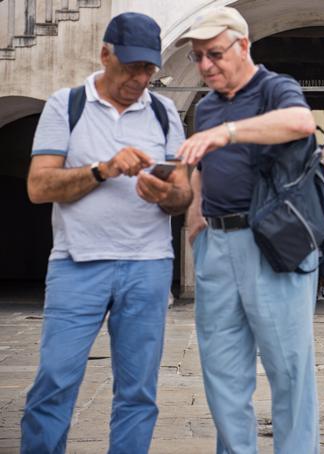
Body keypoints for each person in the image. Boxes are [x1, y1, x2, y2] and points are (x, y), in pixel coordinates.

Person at [20, 12, 192, 453]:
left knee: (138, 393)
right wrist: (103, 169)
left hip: (148, 267)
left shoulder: (163, 111)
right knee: (54, 383)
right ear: (105, 54)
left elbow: (183, 195)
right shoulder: (67, 104)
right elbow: (39, 187)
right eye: (131, 66)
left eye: (148, 68)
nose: (140, 77)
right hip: (77, 264)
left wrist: (164, 195)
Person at [175, 7, 320, 453]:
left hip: (271, 245)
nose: (205, 65)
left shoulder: (275, 87)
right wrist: (195, 218)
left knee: (289, 368)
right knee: (221, 370)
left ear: (243, 46)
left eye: (214, 54)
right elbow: (203, 167)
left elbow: (301, 123)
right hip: (215, 245)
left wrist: (228, 133)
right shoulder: (209, 104)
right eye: (198, 57)